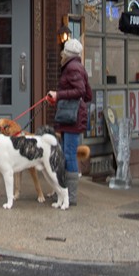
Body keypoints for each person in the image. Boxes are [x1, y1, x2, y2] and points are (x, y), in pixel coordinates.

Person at [47, 38, 92, 207]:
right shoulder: (79, 67)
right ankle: (63, 192)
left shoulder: (72, 67)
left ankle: (70, 196)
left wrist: (59, 95)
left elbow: (80, 91)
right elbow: (88, 95)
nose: (62, 53)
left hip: (72, 118)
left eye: (64, 50)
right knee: (67, 154)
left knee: (69, 155)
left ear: (67, 53)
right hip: (73, 117)